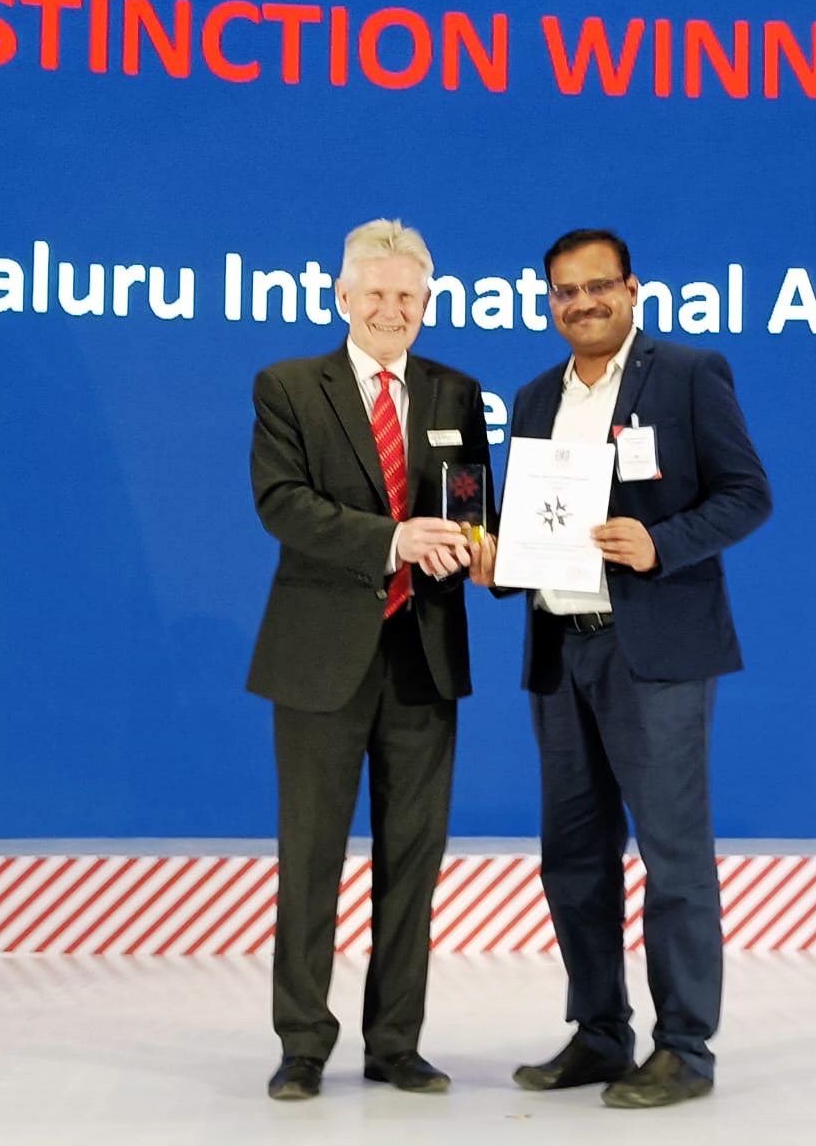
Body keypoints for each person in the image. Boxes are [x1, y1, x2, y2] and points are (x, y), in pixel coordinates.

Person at [472, 228, 772, 1108]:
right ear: (550, 302)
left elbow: (748, 494)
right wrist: (499, 562)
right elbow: (532, 522)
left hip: (657, 655)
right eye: (564, 292)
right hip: (562, 652)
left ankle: (685, 1047)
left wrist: (659, 543)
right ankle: (600, 1032)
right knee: (573, 858)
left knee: (674, 858)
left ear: (632, 290)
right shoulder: (532, 398)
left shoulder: (686, 374)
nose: (582, 304)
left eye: (598, 286)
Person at [247, 218, 491, 1101]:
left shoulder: (456, 392)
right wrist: (393, 540)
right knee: (309, 856)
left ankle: (396, 1042)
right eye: (376, 294)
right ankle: (303, 1042)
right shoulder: (287, 387)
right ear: (343, 298)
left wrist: (472, 543)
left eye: (408, 296)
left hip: (424, 658)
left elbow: (468, 503)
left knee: (413, 861)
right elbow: (282, 505)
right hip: (318, 659)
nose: (392, 309)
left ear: (427, 304)